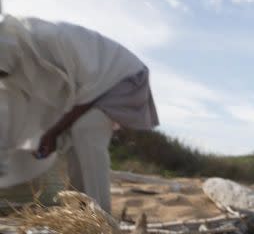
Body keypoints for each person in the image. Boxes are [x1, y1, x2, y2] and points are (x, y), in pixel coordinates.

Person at [0, 13, 159, 213]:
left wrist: (54, 131)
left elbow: (88, 91)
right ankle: (82, 215)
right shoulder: (16, 67)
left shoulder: (46, 40)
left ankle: (101, 220)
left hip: (119, 76)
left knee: (87, 128)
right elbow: (38, 106)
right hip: (85, 92)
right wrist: (45, 137)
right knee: (73, 142)